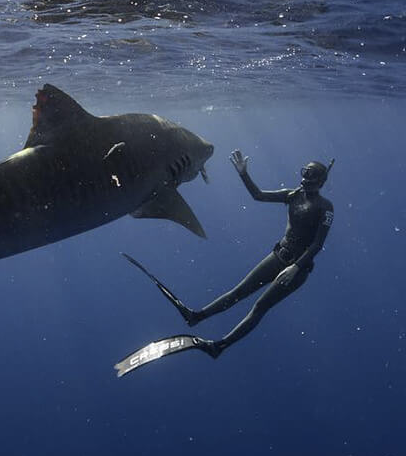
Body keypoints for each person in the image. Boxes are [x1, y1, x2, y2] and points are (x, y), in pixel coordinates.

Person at [138, 150, 334, 358]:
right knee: (237, 292)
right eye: (304, 172)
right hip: (279, 255)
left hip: (297, 269)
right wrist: (243, 173)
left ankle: (218, 346)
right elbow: (258, 195)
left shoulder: (326, 208)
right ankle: (196, 317)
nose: (305, 178)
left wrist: (295, 268)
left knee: (260, 306)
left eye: (311, 175)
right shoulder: (292, 195)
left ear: (320, 181)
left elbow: (317, 245)